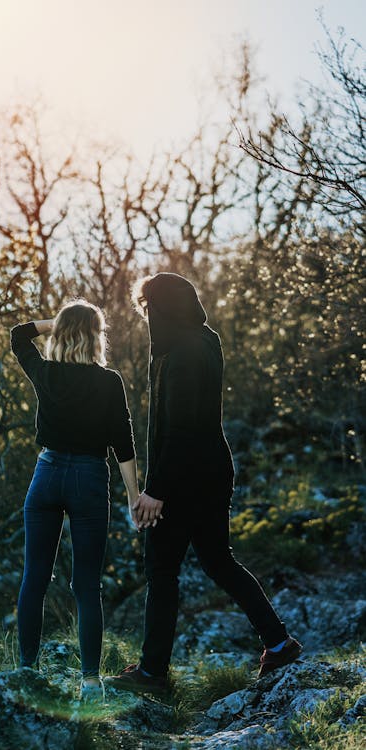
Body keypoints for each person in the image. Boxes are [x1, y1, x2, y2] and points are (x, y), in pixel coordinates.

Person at [107, 272, 302, 696]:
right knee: (218, 561)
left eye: (146, 307)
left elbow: (180, 430)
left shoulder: (183, 353)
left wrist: (155, 490)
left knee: (162, 569)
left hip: (186, 478)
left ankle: (152, 673)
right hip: (210, 471)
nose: (144, 316)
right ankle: (279, 643)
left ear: (160, 307)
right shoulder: (202, 340)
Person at [10, 300, 140, 703]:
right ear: (96, 336)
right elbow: (123, 443)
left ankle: (26, 672)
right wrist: (136, 498)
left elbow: (19, 335)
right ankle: (89, 682)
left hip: (46, 476)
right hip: (88, 478)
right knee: (86, 584)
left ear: (63, 334)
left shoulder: (46, 373)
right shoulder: (109, 381)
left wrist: (60, 321)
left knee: (34, 579)